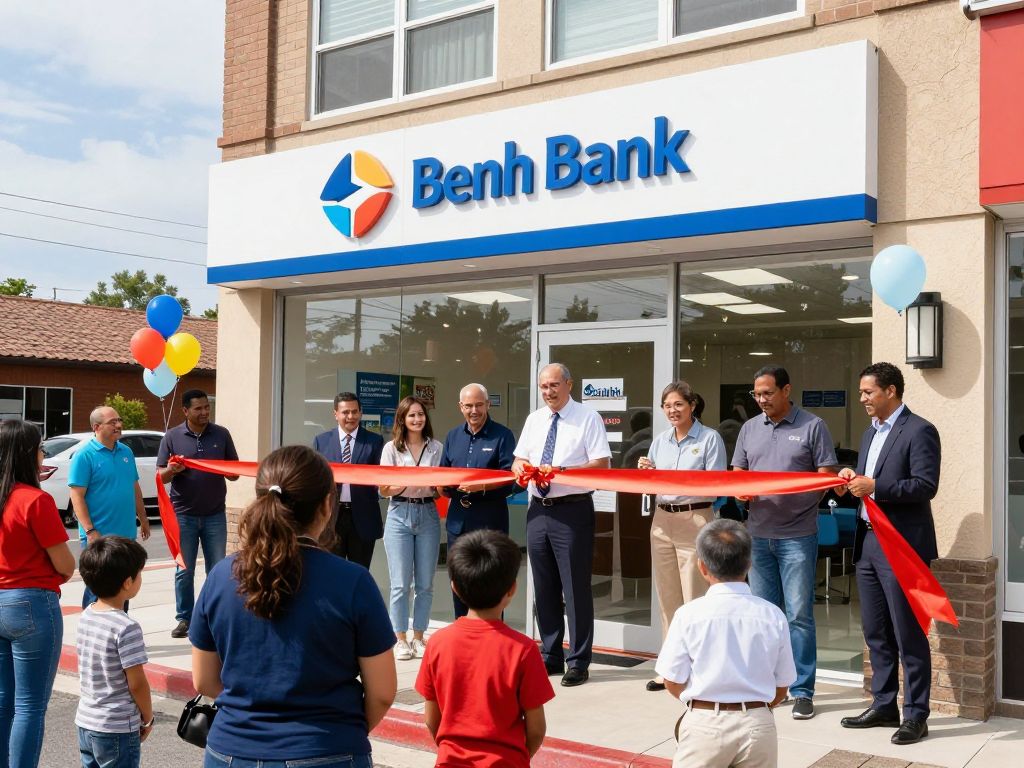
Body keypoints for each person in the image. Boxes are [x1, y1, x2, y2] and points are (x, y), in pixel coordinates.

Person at [190, 445, 397, 767]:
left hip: (231, 751)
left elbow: (204, 680)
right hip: (328, 749)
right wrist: (341, 731)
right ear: (327, 505)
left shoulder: (220, 576)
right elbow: (382, 692)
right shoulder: (353, 582)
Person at [839, 362, 940, 746]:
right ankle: (884, 705)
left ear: (891, 391)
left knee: (908, 633)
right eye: (861, 392)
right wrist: (851, 481)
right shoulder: (870, 433)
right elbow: (867, 483)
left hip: (901, 546)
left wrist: (876, 486)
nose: (862, 398)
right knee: (876, 632)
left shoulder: (920, 430)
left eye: (868, 392)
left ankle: (916, 715)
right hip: (867, 543)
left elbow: (925, 485)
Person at [731, 365, 837, 720]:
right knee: (764, 616)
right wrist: (741, 489)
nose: (761, 400)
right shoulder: (749, 428)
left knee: (799, 616)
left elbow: (825, 475)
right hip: (758, 535)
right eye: (756, 394)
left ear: (786, 390)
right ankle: (767, 686)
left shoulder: (813, 426)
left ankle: (802, 690)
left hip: (798, 535)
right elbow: (738, 471)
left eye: (768, 393)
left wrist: (802, 503)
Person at [656, 519, 795, 768]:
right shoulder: (772, 615)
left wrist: (701, 704)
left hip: (706, 723)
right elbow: (782, 687)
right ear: (749, 563)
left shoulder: (689, 614)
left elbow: (672, 681)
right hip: (758, 724)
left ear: (702, 566)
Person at [415, 530, 555, 767]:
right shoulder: (523, 649)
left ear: (454, 588)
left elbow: (431, 719)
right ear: (512, 589)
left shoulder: (437, 643)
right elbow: (536, 729)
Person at [513, 363, 611, 687]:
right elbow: (518, 459)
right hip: (537, 511)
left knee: (575, 588)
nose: (548, 392)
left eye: (554, 385)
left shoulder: (588, 417)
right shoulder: (534, 419)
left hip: (572, 511)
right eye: (544, 386)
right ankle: (551, 654)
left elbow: (601, 464)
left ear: (569, 384)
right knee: (544, 588)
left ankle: (578, 660)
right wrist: (521, 468)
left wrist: (561, 471)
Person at [638, 381, 726, 693]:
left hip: (695, 517)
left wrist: (682, 481)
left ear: (692, 406)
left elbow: (716, 485)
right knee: (668, 599)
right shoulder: (659, 441)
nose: (672, 411)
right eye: (667, 406)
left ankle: (700, 669)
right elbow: (651, 485)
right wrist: (646, 471)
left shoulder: (709, 438)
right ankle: (670, 668)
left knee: (695, 597)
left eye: (678, 404)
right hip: (662, 520)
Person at [0, 419, 75, 768]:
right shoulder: (35, 500)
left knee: (3, 701)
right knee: (30, 706)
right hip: (31, 603)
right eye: (41, 448)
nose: (43, 454)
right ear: (29, 453)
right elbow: (65, 564)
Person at [157, 389, 239, 639]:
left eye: (207, 407)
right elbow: (160, 476)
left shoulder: (221, 434)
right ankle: (185, 619)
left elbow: (234, 472)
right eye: (198, 408)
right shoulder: (172, 436)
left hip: (215, 514)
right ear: (185, 411)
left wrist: (228, 471)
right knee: (184, 571)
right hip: (183, 515)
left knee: (217, 570)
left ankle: (214, 616)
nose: (204, 412)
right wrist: (172, 470)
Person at [439, 383, 517, 617]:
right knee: (459, 580)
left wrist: (481, 486)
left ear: (488, 405)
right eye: (469, 406)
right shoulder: (452, 436)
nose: (474, 410)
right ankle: (462, 630)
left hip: (489, 522)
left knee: (492, 581)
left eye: (479, 405)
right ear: (460, 407)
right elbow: (444, 474)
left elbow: (511, 479)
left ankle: (492, 634)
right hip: (458, 522)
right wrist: (442, 486)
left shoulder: (503, 435)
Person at [75, 535, 153, 768]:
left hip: (86, 720)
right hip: (116, 726)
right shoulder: (126, 627)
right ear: (128, 582)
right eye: (139, 573)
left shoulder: (87, 615)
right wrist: (148, 717)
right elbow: (137, 683)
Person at [379, 396, 444, 661]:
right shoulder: (391, 448)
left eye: (420, 414)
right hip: (399, 513)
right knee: (400, 584)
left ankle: (418, 637)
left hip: (427, 513)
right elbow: (383, 489)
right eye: (412, 415)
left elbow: (440, 490)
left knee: (425, 583)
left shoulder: (436, 447)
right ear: (402, 419)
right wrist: (406, 482)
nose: (417, 419)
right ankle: (400, 639)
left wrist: (437, 485)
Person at [69, 406, 151, 609]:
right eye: (112, 422)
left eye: (119, 420)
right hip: (99, 538)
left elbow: (134, 486)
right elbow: (76, 496)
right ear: (96, 427)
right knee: (98, 591)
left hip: (126, 536)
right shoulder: (84, 455)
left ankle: (120, 626)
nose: (119, 425)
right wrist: (90, 531)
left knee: (124, 589)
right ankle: (92, 627)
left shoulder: (126, 451)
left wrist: (143, 517)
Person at [313, 392, 385, 568]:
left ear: (361, 413)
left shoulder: (374, 441)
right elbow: (316, 479)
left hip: (363, 518)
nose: (350, 416)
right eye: (345, 412)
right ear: (335, 414)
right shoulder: (321, 441)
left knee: (359, 572)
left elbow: (380, 478)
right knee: (331, 572)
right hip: (331, 519)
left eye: (355, 411)